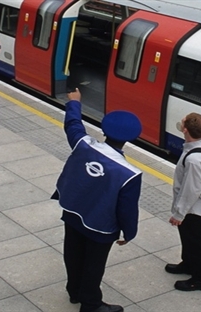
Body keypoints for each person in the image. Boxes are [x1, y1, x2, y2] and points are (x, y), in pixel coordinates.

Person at [51, 88, 142, 312]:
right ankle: (90, 304)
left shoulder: (83, 144)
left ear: (104, 130)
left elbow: (73, 125)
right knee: (94, 265)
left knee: (72, 253)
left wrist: (75, 103)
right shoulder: (130, 173)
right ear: (130, 139)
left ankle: (74, 291)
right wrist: (129, 233)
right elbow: (126, 209)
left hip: (72, 211)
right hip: (100, 226)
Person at [166, 112, 201, 291]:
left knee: (197, 243)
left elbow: (192, 189)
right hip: (192, 207)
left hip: (194, 209)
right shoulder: (199, 143)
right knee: (188, 239)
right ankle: (188, 264)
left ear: (185, 130)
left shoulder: (196, 159)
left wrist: (179, 213)